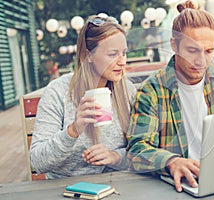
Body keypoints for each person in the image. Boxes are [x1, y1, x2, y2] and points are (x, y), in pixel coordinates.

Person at [126, 0, 214, 193]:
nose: (201, 61)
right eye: (192, 50)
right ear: (174, 45)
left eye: (209, 51)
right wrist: (171, 161)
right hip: (179, 188)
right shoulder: (151, 90)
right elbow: (136, 151)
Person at [30, 14, 136, 179]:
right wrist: (73, 130)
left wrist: (115, 157)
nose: (122, 61)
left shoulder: (127, 91)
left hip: (118, 185)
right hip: (67, 188)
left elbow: (142, 150)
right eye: (113, 54)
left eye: (124, 53)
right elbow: (37, 162)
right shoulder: (58, 92)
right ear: (89, 55)